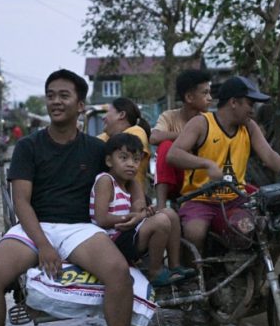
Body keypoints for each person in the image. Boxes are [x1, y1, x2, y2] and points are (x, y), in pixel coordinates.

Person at [0, 69, 139, 326]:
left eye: (64, 95)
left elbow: (131, 175)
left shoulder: (97, 150)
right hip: (35, 225)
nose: (55, 101)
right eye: (50, 95)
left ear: (80, 104)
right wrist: (44, 246)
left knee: (120, 273)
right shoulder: (28, 146)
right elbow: (21, 202)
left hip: (80, 228)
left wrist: (141, 210)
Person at [167, 76, 280, 252]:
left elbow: (269, 155)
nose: (252, 111)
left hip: (235, 199)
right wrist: (207, 164)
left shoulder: (249, 127)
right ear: (233, 102)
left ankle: (250, 274)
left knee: (258, 228)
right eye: (250, 105)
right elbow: (173, 155)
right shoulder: (201, 123)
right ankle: (194, 276)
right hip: (199, 199)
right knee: (195, 232)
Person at [90, 133, 194, 287]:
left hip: (128, 233)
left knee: (170, 214)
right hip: (111, 241)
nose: (131, 164)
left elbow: (139, 209)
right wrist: (133, 218)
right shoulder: (106, 181)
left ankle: (175, 266)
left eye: (136, 159)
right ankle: (155, 272)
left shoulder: (131, 183)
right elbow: (101, 219)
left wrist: (143, 213)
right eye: (124, 158)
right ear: (109, 161)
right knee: (161, 221)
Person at [150, 69, 213, 210]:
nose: (210, 97)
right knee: (165, 146)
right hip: (177, 180)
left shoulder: (211, 120)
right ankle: (160, 208)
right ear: (189, 97)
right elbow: (154, 138)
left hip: (203, 180)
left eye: (210, 92)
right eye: (205, 93)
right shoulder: (170, 117)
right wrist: (188, 136)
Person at [99, 97, 152, 191]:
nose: (103, 117)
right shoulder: (108, 136)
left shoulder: (136, 131)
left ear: (121, 114)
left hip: (132, 199)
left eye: (108, 112)